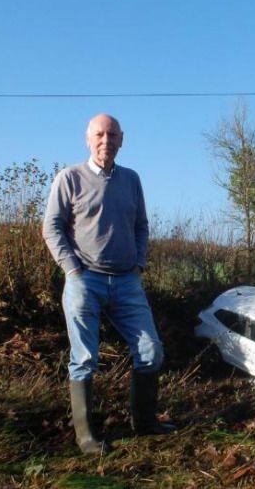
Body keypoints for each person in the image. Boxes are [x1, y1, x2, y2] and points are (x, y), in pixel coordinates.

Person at [42, 114, 175, 455]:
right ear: (88, 139)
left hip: (127, 282)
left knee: (150, 351)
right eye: (100, 134)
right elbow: (52, 228)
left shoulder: (131, 179)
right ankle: (86, 436)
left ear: (122, 140)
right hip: (85, 281)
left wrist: (139, 263)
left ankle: (145, 423)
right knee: (85, 358)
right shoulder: (69, 178)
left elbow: (142, 226)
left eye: (112, 134)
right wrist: (72, 269)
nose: (106, 140)